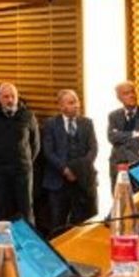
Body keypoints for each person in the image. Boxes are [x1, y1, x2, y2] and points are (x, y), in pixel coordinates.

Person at [0, 83, 40, 226]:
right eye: (6, 96)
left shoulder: (27, 115)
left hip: (22, 170)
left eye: (13, 96)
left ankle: (29, 244)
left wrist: (25, 161)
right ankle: (0, 246)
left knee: (25, 208)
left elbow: (35, 144)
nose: (10, 100)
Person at [40, 89, 98, 234]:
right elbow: (48, 151)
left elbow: (93, 149)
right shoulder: (50, 124)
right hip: (58, 181)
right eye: (71, 103)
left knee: (83, 223)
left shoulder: (87, 123)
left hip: (82, 180)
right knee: (58, 223)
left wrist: (79, 170)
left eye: (77, 101)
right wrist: (65, 170)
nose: (77, 105)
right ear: (61, 106)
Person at [106, 81, 139, 173]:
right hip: (120, 164)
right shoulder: (113, 116)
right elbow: (112, 137)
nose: (131, 95)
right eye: (126, 93)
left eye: (133, 92)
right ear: (119, 98)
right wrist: (136, 134)